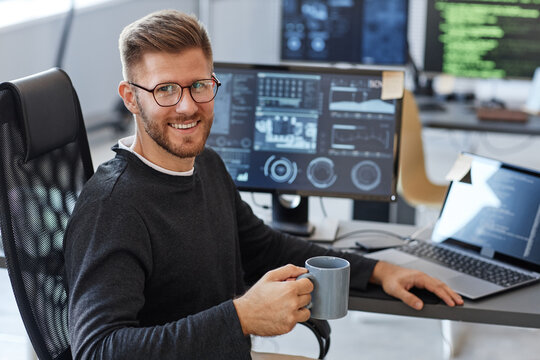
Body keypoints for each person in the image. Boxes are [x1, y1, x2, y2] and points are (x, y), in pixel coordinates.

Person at [63, 9, 463, 360]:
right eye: (165, 89)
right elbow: (99, 350)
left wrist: (378, 270)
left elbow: (264, 247)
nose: (188, 106)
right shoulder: (114, 208)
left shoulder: (206, 164)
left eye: (199, 85)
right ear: (131, 98)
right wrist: (241, 317)